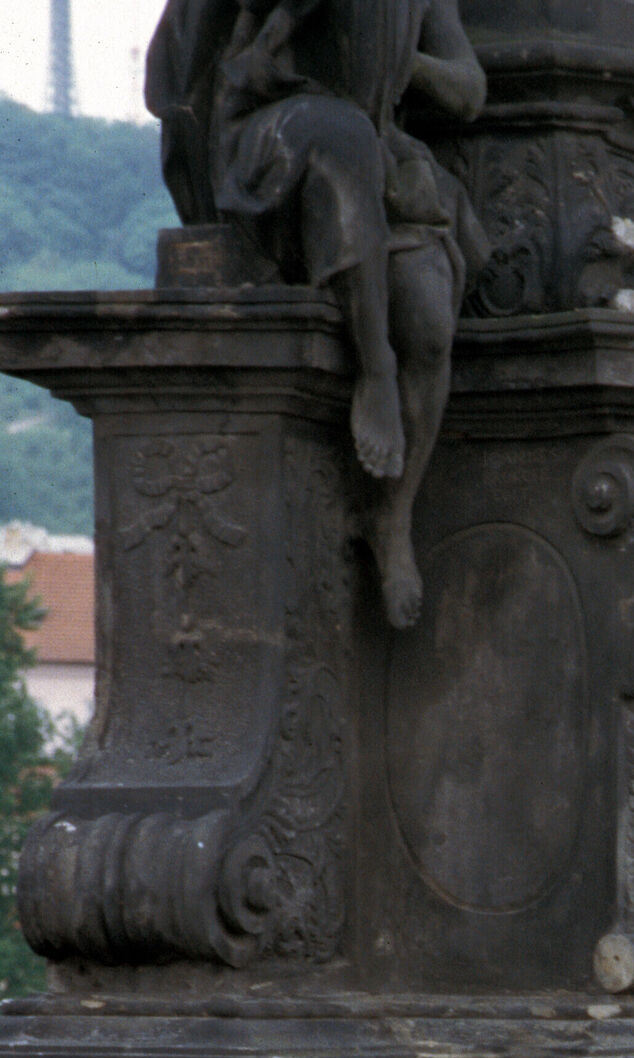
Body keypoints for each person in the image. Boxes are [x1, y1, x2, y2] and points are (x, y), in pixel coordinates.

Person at [146, 0, 490, 629]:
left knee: (429, 317)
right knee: (342, 136)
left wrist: (402, 63)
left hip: (374, 155)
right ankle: (375, 369)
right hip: (262, 147)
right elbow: (193, 62)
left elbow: (469, 91)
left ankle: (392, 513)